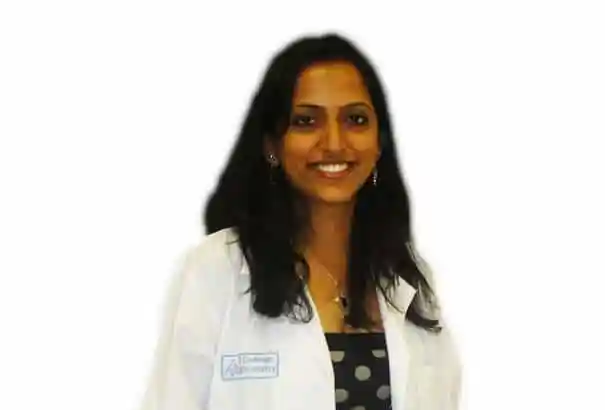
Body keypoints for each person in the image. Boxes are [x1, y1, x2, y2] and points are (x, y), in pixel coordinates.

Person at [139, 33, 462, 410]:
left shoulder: (407, 278)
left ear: (379, 143)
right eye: (307, 121)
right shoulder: (216, 270)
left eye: (355, 119)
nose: (334, 143)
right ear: (271, 147)